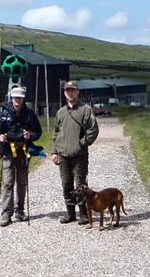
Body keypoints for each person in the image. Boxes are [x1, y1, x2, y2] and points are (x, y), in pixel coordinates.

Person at [0, 86, 42, 227]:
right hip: (8, 151)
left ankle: (19, 211)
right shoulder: (4, 113)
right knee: (8, 183)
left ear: (23, 98)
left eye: (20, 97)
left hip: (23, 152)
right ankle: (6, 213)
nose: (17, 100)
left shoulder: (30, 114)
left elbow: (38, 131)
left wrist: (30, 135)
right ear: (11, 98)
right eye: (15, 97)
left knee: (21, 182)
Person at [51, 80, 99, 225]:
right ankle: (70, 213)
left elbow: (93, 129)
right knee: (66, 185)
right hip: (63, 156)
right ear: (64, 93)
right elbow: (56, 133)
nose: (70, 93)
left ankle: (84, 214)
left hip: (79, 156)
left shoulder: (86, 109)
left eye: (73, 90)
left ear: (78, 92)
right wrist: (54, 151)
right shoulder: (61, 112)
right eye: (67, 90)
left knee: (81, 186)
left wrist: (82, 143)